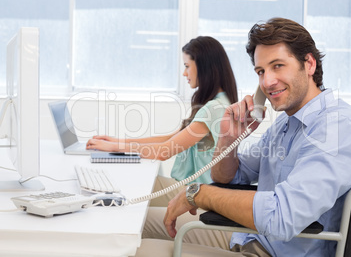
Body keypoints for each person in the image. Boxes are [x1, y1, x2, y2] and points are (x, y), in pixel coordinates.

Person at [136, 18, 351, 256]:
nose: (267, 82)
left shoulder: (337, 128)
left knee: (137, 250)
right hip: (248, 236)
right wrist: (228, 139)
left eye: (278, 66)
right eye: (260, 71)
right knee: (139, 220)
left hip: (272, 249)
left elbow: (281, 217)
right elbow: (228, 177)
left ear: (309, 65)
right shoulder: (287, 121)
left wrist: (200, 194)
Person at [86, 36, 238, 206]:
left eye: (187, 66)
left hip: (199, 196)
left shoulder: (214, 108)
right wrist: (118, 142)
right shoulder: (220, 102)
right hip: (193, 190)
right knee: (136, 185)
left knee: (130, 197)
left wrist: (115, 148)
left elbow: (164, 151)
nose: (184, 73)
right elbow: (171, 139)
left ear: (204, 67)